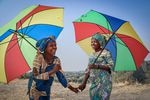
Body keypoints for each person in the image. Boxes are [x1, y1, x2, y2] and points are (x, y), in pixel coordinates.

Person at [78, 33, 114, 100]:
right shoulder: (91, 55)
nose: (92, 43)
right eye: (91, 42)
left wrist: (97, 66)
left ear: (100, 42)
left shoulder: (106, 52)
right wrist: (84, 83)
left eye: (95, 42)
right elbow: (88, 69)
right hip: (94, 83)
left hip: (104, 82)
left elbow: (111, 66)